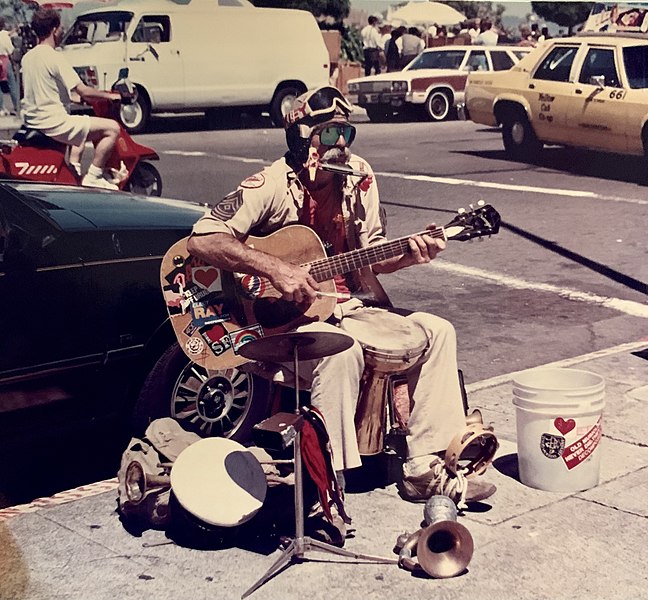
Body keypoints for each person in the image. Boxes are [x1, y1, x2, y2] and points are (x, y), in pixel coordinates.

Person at [185, 86, 497, 510]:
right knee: (342, 351)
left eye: (348, 134)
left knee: (438, 331)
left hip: (351, 304)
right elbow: (203, 239)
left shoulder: (359, 176)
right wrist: (275, 268)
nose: (342, 146)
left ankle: (424, 467)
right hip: (284, 318)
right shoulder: (272, 184)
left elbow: (376, 253)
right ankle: (324, 482)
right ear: (301, 136)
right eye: (330, 135)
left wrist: (412, 254)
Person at [20, 8, 121, 189]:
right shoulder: (54, 57)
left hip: (34, 120)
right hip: (54, 123)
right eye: (60, 29)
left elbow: (45, 90)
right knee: (112, 129)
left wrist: (73, 99)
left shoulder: (28, 58)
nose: (61, 32)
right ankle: (94, 176)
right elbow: (84, 90)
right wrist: (111, 95)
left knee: (80, 130)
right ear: (54, 29)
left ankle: (73, 175)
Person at [0, 18, 19, 116]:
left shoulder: (5, 34)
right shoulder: (4, 35)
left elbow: (10, 32)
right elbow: (10, 50)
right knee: (12, 84)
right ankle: (17, 107)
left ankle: (1, 109)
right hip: (5, 59)